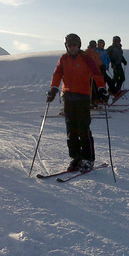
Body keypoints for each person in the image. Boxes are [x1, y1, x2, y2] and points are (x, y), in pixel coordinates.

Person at [47, 33, 108, 171]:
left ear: (79, 45)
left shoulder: (86, 58)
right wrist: (53, 89)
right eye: (69, 45)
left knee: (83, 128)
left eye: (74, 45)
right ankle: (76, 157)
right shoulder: (64, 58)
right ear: (66, 46)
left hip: (83, 97)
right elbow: (57, 74)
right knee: (71, 129)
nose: (72, 47)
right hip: (68, 97)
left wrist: (102, 88)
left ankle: (88, 159)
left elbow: (96, 73)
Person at [85, 40, 104, 106]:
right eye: (91, 46)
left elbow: (98, 61)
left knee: (97, 86)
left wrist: (102, 66)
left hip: (96, 73)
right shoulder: (86, 53)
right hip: (88, 73)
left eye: (94, 46)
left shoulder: (96, 53)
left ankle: (97, 99)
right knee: (91, 87)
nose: (93, 47)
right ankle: (91, 101)